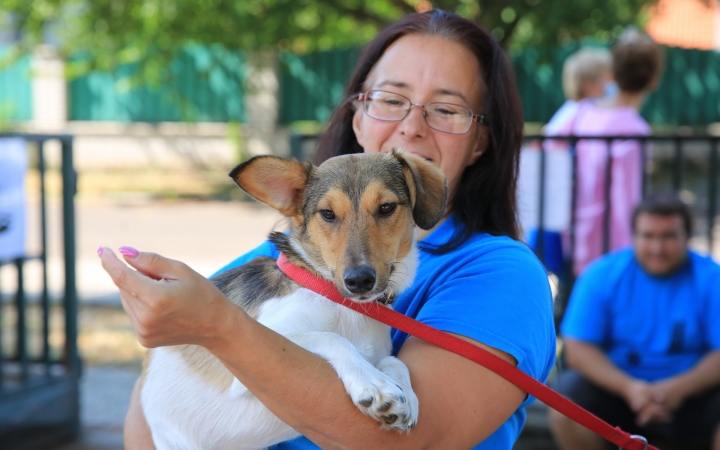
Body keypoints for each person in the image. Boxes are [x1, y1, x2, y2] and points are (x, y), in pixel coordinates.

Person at [99, 10, 556, 449]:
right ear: (358, 116)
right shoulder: (294, 254)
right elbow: (153, 399)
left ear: (481, 140)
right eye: (391, 100)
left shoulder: (500, 273)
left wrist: (219, 326)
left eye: (447, 109)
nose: (411, 126)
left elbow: (405, 441)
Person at [550, 192, 720, 450]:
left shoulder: (711, 278)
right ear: (633, 236)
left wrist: (676, 390)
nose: (657, 248)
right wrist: (631, 389)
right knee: (566, 405)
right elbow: (577, 351)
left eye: (669, 236)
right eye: (648, 236)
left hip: (693, 396)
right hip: (619, 394)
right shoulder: (601, 275)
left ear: (687, 237)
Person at [552, 28, 664, 276]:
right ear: (653, 80)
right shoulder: (635, 129)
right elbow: (628, 197)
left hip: (578, 234)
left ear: (613, 74)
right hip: (615, 246)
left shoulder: (585, 113)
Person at [544, 47, 613, 136]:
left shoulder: (570, 108)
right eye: (607, 79)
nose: (612, 83)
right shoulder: (588, 111)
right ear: (588, 86)